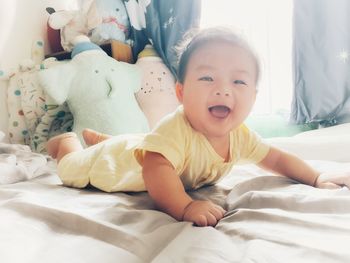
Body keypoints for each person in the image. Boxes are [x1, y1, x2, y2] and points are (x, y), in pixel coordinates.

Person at [47, 27, 350, 227]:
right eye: (207, 78)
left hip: (139, 146)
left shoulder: (239, 136)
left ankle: (107, 140)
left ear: (254, 97)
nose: (223, 90)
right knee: (74, 169)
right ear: (181, 93)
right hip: (119, 165)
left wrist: (316, 176)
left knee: (137, 144)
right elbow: (155, 168)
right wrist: (183, 207)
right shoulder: (175, 129)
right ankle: (68, 145)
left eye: (239, 81)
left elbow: (277, 158)